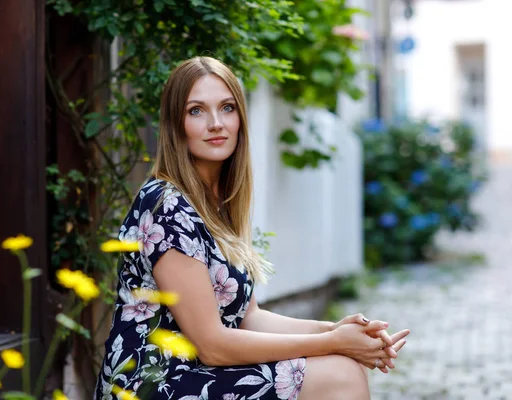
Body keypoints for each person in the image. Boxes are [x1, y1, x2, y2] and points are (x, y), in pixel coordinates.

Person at [94, 56, 410, 400]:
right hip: (152, 383)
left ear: (240, 119)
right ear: (176, 125)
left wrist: (338, 329)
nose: (216, 123)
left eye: (227, 108)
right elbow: (213, 345)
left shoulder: (214, 206)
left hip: (195, 373)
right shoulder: (166, 205)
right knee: (338, 375)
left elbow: (249, 317)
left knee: (341, 365)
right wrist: (331, 343)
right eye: (196, 111)